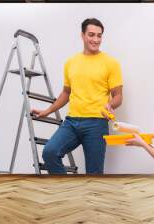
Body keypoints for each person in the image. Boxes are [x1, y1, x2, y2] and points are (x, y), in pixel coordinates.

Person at [31, 18, 123, 174]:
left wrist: (110, 105)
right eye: (91, 35)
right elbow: (66, 93)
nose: (95, 40)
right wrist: (47, 111)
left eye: (99, 36)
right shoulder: (70, 63)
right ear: (82, 35)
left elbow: (118, 96)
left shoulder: (111, 63)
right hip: (71, 122)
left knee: (94, 174)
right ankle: (68, 192)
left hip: (96, 123)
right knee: (50, 152)